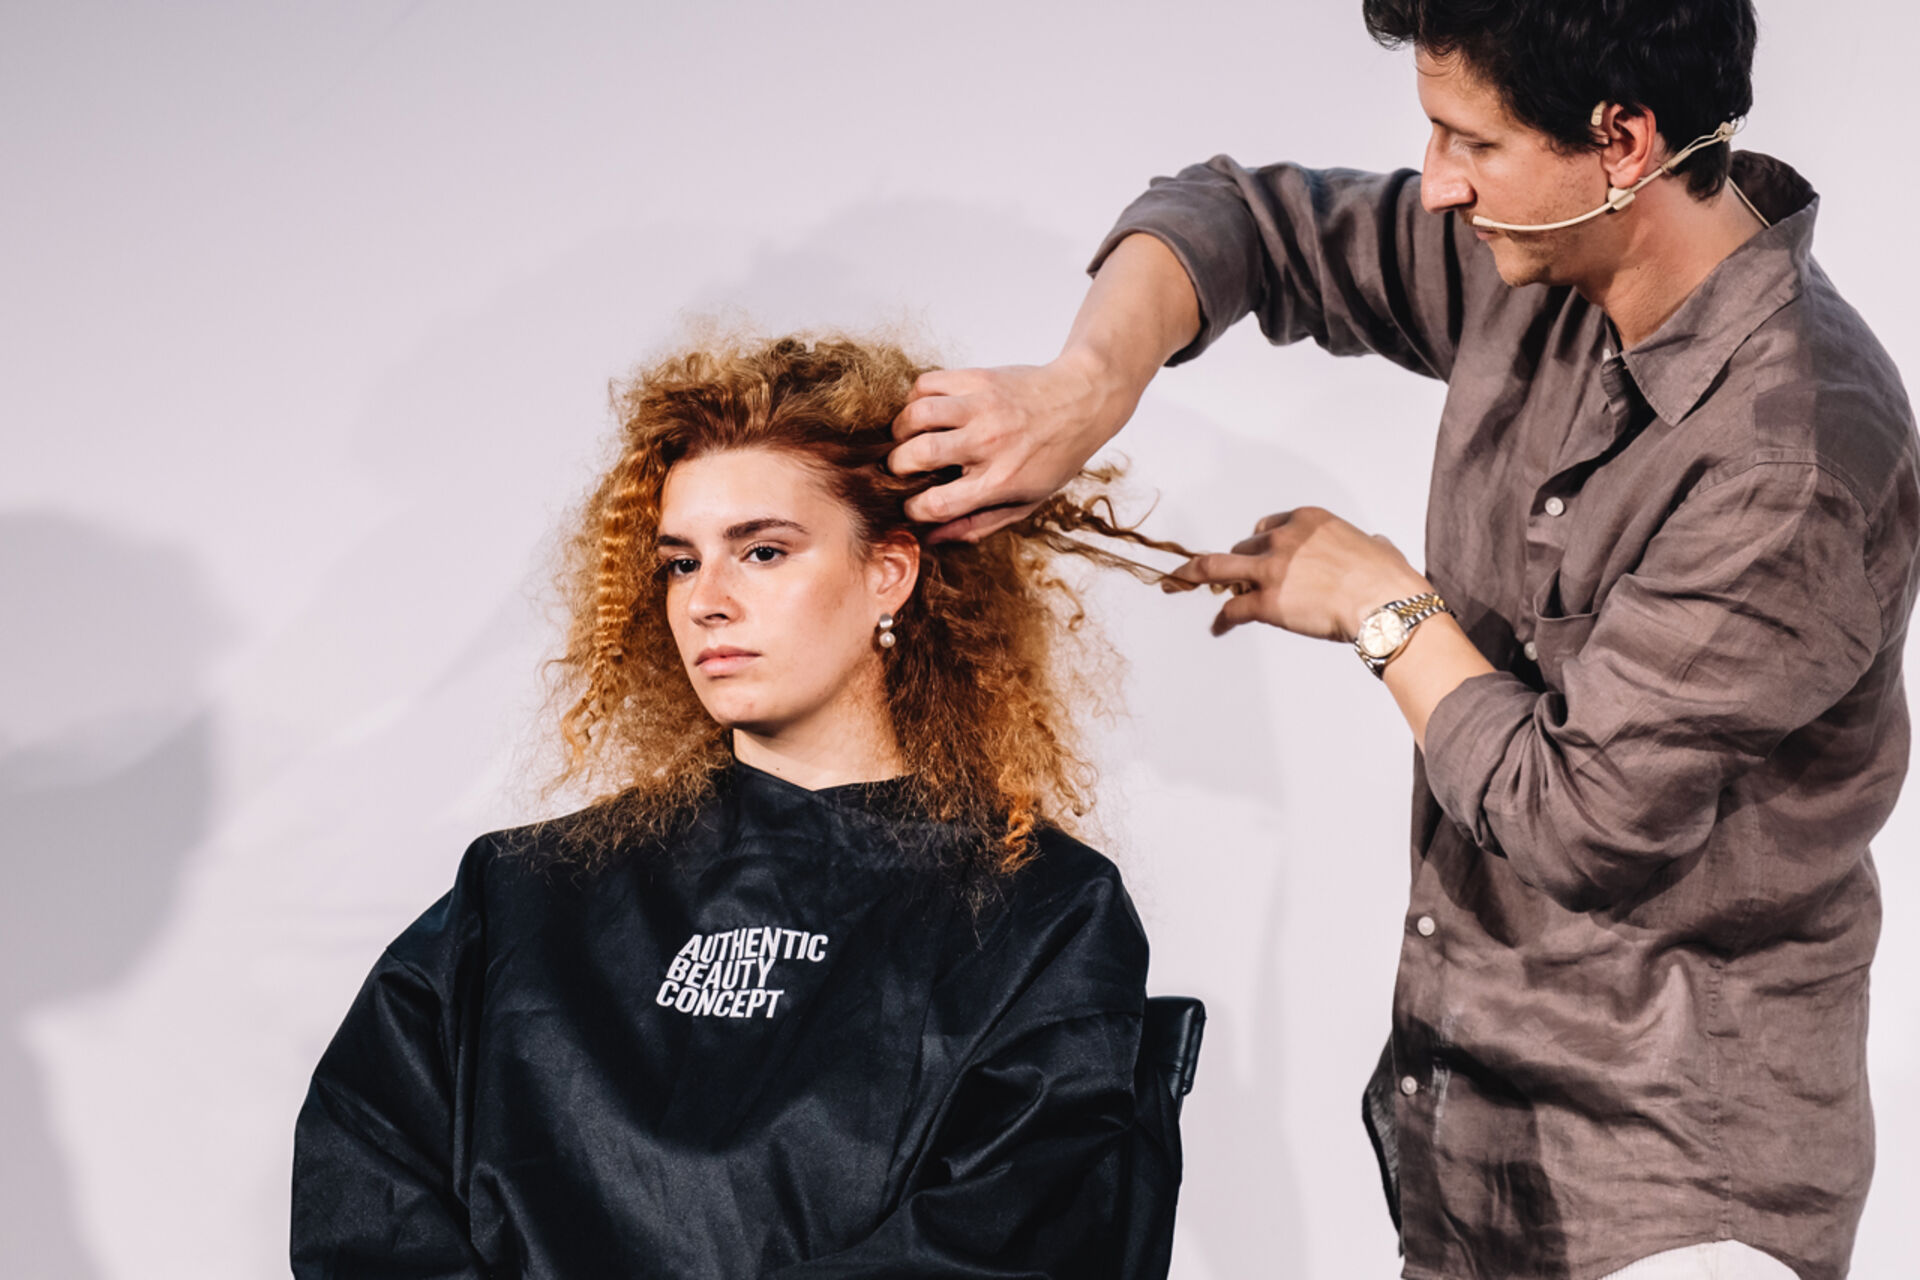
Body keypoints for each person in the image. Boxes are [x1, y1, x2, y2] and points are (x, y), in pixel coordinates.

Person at [885, 3, 1918, 1279]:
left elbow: (1585, 818)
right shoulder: (1542, 256)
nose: (1436, 184)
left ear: (1623, 141)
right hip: (1464, 1146)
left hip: (1672, 1195)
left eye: (1469, 142)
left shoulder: (1789, 455)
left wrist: (1381, 603)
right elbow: (1240, 221)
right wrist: (1083, 386)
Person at [290, 333, 1192, 1278]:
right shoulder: (519, 894)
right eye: (680, 563)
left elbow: (1007, 1243)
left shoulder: (1042, 915)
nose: (706, 601)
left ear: (888, 572)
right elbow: (366, 1190)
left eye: (762, 551)